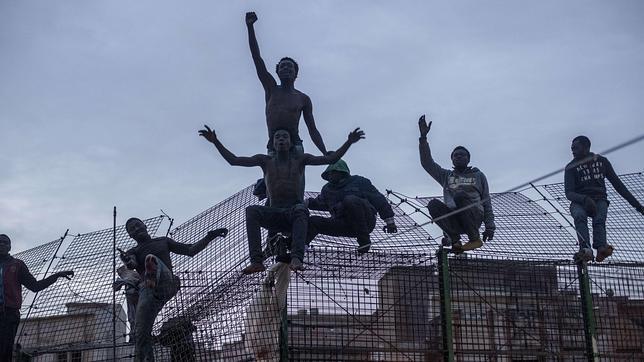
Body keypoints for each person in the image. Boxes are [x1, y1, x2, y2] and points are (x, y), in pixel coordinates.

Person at [199, 125, 364, 274]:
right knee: (252, 210)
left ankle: (296, 257)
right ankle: (257, 261)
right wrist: (215, 142)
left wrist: (349, 142)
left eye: (285, 136)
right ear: (273, 143)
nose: (281, 139)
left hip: (292, 214)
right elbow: (234, 160)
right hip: (273, 213)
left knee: (301, 209)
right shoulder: (265, 161)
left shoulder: (301, 160)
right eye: (278, 137)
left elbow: (330, 159)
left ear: (291, 143)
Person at [120, 218, 227, 362]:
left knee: (151, 260)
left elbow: (190, 250)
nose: (136, 229)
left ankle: (151, 275)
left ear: (144, 226)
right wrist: (127, 261)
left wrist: (210, 236)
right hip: (149, 292)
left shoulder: (163, 241)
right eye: (132, 229)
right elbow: (132, 263)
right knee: (141, 333)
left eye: (137, 225)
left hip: (166, 282)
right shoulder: (133, 251)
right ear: (130, 236)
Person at [245, 11, 329, 156]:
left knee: (296, 176)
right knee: (272, 176)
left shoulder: (303, 99)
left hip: (295, 144)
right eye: (282, 67)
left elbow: (312, 129)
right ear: (277, 72)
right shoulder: (271, 88)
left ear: (296, 74)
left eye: (290, 67)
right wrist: (250, 27)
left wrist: (325, 152)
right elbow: (256, 58)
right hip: (274, 143)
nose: (286, 69)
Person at [417, 115, 495, 252]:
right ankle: (455, 241)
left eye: (462, 155)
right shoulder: (446, 175)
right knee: (433, 204)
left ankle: (474, 239)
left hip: (473, 216)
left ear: (468, 159)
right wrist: (423, 138)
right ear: (452, 159)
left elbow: (486, 202)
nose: (458, 157)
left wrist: (489, 227)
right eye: (455, 155)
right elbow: (427, 163)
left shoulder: (478, 175)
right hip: (454, 219)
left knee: (459, 195)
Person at [565, 135, 644, 262]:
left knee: (599, 220)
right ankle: (586, 250)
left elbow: (619, 186)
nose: (573, 151)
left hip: (599, 199)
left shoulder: (602, 161)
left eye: (576, 148)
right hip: (579, 201)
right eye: (572, 148)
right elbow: (569, 193)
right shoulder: (570, 167)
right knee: (579, 216)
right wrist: (585, 199)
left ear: (586, 147)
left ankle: (601, 248)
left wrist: (638, 206)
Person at [0, 234, 73, 362]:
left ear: (10, 246)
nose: (1, 244)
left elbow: (35, 286)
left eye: (5, 242)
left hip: (8, 314)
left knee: (4, 351)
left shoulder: (17, 265)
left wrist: (55, 276)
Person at [305, 159, 398, 253]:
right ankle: (298, 250)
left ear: (342, 172)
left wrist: (390, 222)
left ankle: (364, 241)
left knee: (350, 200)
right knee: (313, 221)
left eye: (333, 173)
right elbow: (319, 203)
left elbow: (378, 200)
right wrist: (305, 203)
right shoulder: (327, 189)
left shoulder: (360, 182)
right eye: (328, 174)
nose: (330, 176)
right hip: (343, 224)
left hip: (365, 222)